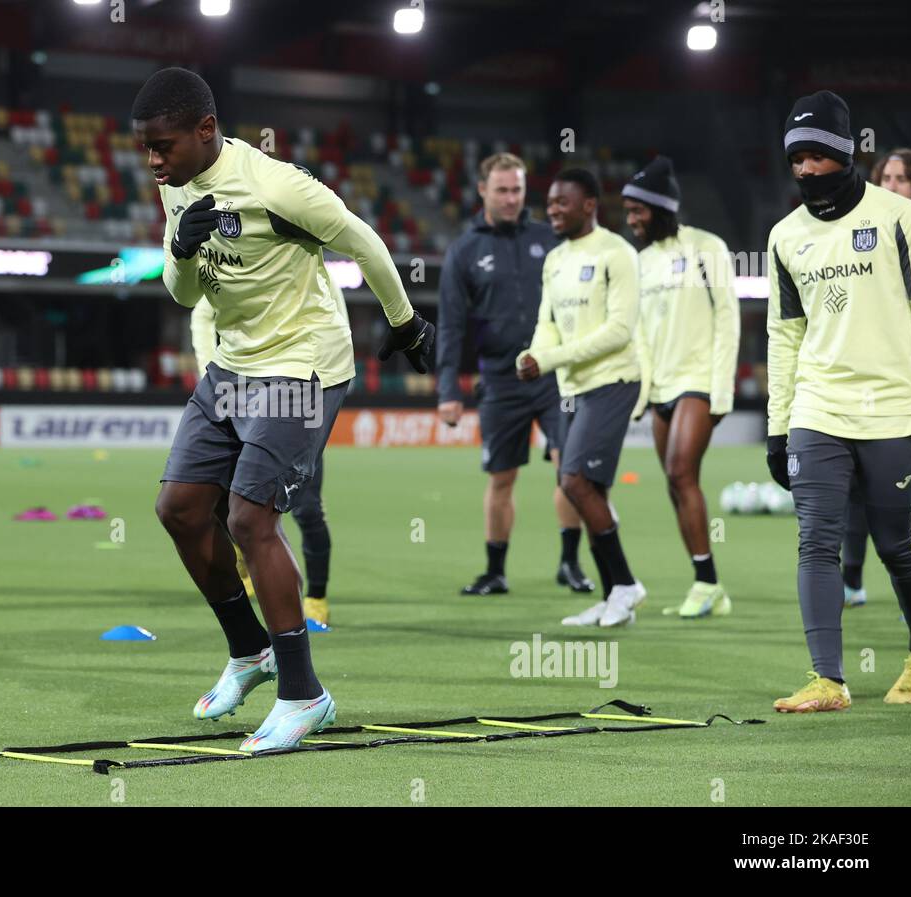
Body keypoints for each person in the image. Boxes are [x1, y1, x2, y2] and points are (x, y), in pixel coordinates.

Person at [136, 68, 433, 750]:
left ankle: (304, 695)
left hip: (302, 363)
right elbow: (185, 294)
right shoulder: (176, 190)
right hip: (234, 363)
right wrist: (180, 250)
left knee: (249, 517)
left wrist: (406, 322)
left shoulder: (276, 184)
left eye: (164, 145)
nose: (153, 159)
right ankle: (251, 650)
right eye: (145, 147)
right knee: (179, 508)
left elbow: (363, 239)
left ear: (206, 130)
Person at [765, 91, 911, 710]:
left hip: (893, 409)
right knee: (815, 540)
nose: (804, 170)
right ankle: (828, 679)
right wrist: (779, 427)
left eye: (815, 156)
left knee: (896, 548)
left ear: (845, 153)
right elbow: (785, 336)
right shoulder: (784, 237)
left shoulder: (900, 219)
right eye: (794, 158)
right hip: (817, 410)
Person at [437, 152, 593, 597]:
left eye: (518, 190)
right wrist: (449, 389)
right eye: (502, 190)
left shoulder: (552, 240)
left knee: (571, 469)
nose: (511, 198)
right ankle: (495, 571)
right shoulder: (464, 251)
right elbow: (450, 326)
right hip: (500, 381)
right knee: (502, 478)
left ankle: (570, 564)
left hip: (555, 375)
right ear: (483, 190)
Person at [517, 168, 647, 627]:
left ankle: (627, 584)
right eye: (549, 202)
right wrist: (534, 352)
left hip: (613, 380)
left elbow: (619, 331)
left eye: (562, 202)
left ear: (589, 204)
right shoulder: (554, 259)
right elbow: (546, 320)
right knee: (589, 489)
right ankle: (614, 596)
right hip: (571, 388)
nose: (552, 209)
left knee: (572, 481)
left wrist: (551, 359)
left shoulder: (618, 253)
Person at [622, 156, 739, 618]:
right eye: (627, 211)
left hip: (699, 380)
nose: (630, 219)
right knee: (675, 485)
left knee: (680, 474)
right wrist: (643, 393)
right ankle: (708, 585)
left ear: (660, 207)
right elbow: (640, 334)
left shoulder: (707, 247)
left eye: (637, 211)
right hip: (660, 390)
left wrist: (721, 387)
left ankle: (708, 582)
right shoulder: (639, 262)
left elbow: (728, 319)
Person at [192, 294, 339, 626]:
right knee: (237, 499)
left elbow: (337, 335)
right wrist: (208, 369)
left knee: (307, 506)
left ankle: (316, 596)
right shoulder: (244, 267)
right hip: (243, 392)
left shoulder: (315, 275)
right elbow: (201, 313)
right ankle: (246, 566)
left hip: (301, 396)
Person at [840, 147, 911, 608]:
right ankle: (851, 575)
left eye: (899, 178)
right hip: (875, 382)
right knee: (856, 483)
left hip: (906, 382)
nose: (890, 186)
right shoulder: (865, 231)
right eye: (884, 178)